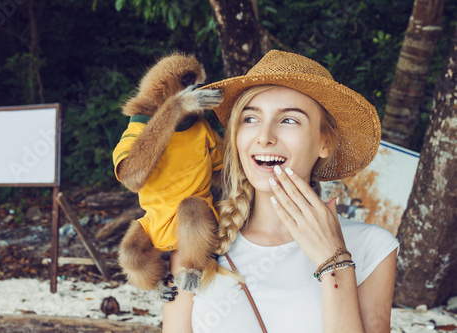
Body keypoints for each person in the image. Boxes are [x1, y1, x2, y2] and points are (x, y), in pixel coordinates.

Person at [163, 50, 399, 333]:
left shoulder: (372, 246)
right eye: (250, 119)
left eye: (289, 120)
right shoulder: (194, 244)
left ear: (325, 141)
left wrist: (335, 261)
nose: (265, 136)